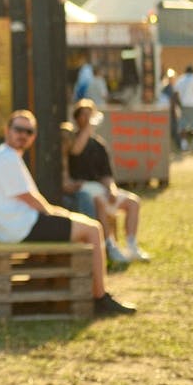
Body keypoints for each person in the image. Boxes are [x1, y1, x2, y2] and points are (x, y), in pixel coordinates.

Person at [0, 109, 137, 316]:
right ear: (7, 130)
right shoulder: (7, 158)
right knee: (93, 229)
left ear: (33, 137)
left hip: (15, 224)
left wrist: (58, 213)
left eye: (28, 131)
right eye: (18, 129)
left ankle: (81, 287)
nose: (23, 135)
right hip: (19, 227)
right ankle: (100, 297)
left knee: (79, 223)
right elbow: (33, 201)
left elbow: (29, 200)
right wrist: (57, 213)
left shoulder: (1, 155)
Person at [68, 99, 151, 263]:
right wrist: (88, 128)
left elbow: (106, 174)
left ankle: (132, 245)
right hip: (83, 188)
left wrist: (112, 189)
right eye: (83, 114)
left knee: (133, 202)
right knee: (99, 201)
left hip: (100, 188)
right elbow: (76, 151)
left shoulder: (99, 145)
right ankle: (109, 245)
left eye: (90, 114)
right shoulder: (71, 139)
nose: (87, 118)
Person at [173, 65, 193, 151]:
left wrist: (179, 104)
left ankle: (184, 144)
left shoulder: (180, 79)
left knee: (183, 125)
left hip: (183, 105)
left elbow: (175, 94)